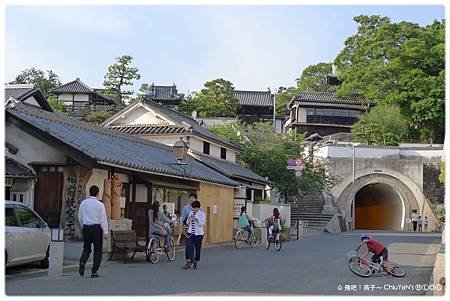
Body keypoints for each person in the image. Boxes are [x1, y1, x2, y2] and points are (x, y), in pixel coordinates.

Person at [78, 185, 108, 278]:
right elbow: (103, 218)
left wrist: (83, 226)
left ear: (89, 192)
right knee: (97, 250)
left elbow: (80, 216)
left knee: (86, 247)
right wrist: (105, 231)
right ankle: (94, 271)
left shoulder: (83, 203)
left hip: (86, 227)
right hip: (96, 228)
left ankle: (82, 262)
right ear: (98, 193)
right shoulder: (100, 204)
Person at [183, 200, 205, 270]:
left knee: (197, 248)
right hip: (190, 233)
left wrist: (196, 219)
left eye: (195, 208)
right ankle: (188, 261)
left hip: (199, 234)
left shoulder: (202, 214)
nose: (194, 209)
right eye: (193, 208)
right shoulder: (191, 213)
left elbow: (202, 224)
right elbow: (187, 222)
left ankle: (196, 261)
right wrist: (189, 218)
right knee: (188, 247)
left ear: (198, 208)